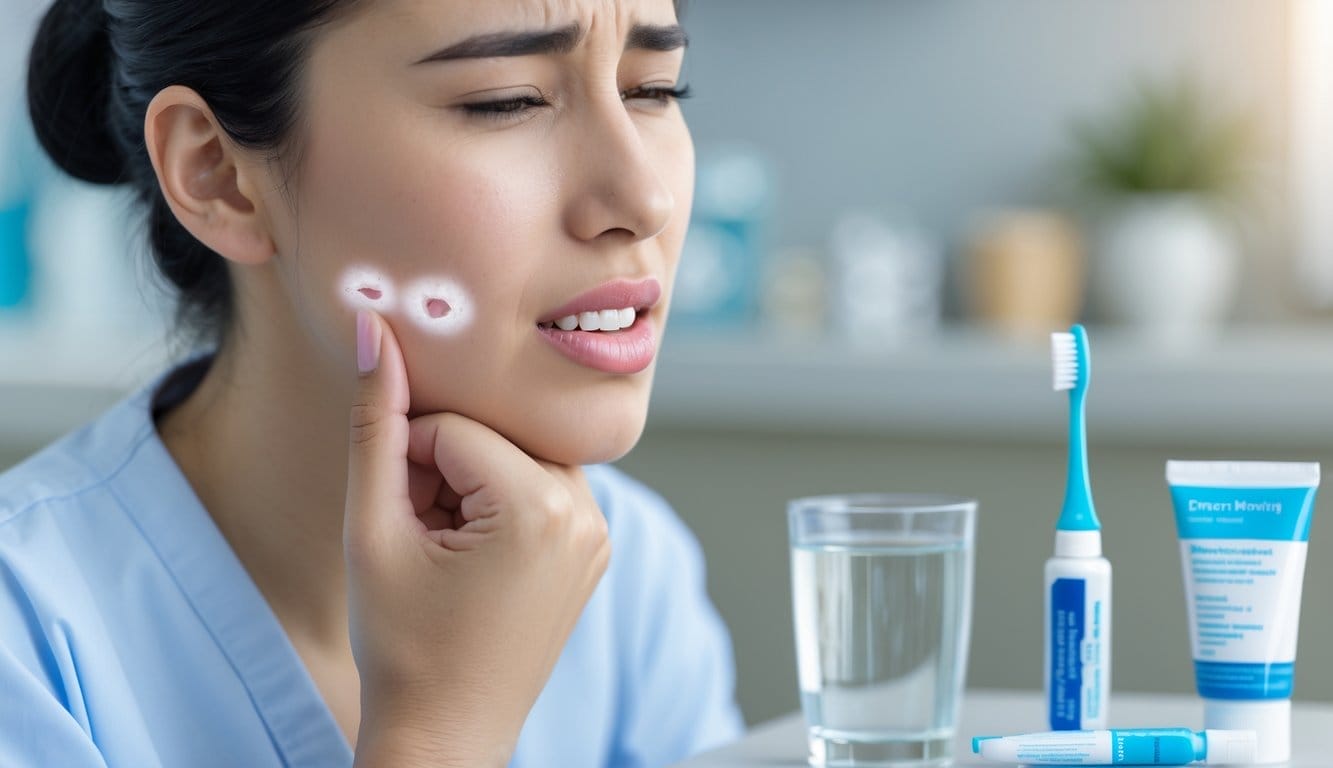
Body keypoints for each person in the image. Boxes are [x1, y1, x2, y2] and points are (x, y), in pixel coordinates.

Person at [0, 0, 745, 765]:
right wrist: (440, 732)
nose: (642, 200)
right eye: (506, 101)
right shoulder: (23, 645)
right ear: (217, 175)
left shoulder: (625, 572)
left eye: (653, 90)